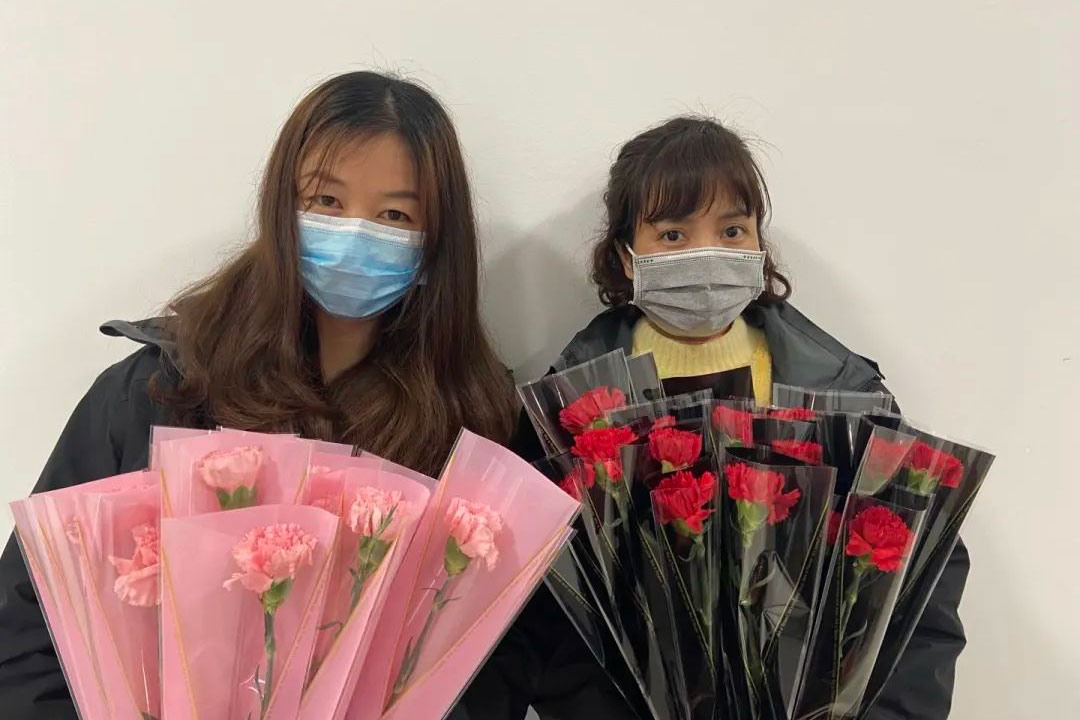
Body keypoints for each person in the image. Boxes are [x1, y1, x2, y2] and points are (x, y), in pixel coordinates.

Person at [0, 70, 516, 720]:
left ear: (437, 238)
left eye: (394, 215)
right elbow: (30, 628)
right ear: (281, 207)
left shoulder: (469, 422)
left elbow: (491, 661)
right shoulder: (163, 388)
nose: (355, 233)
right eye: (326, 200)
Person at [463, 116, 969, 720]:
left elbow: (918, 589)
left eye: (732, 230)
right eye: (673, 234)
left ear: (758, 245)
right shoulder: (569, 411)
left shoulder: (840, 393)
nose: (706, 254)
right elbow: (539, 611)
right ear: (627, 256)